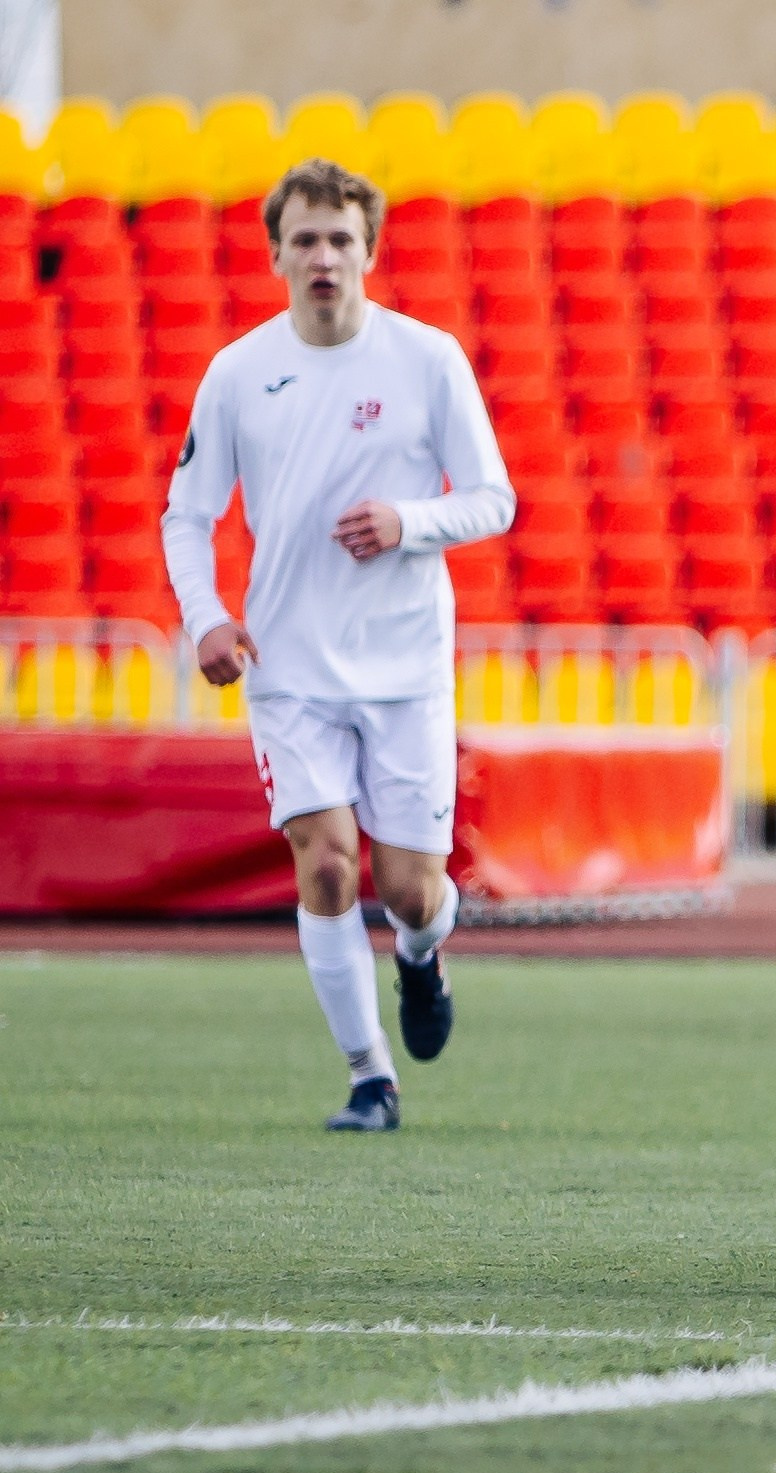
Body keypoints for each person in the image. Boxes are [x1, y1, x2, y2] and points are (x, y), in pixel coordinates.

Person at [162, 159, 515, 1133]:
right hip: (289, 668)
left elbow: (495, 498)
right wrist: (206, 619)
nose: (323, 256)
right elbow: (185, 516)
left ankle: (421, 955)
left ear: (370, 250)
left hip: (404, 666)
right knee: (323, 866)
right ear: (277, 252)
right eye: (305, 239)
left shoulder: (427, 358)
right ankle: (369, 1078)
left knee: (408, 890)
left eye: (340, 239)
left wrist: (409, 522)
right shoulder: (238, 372)